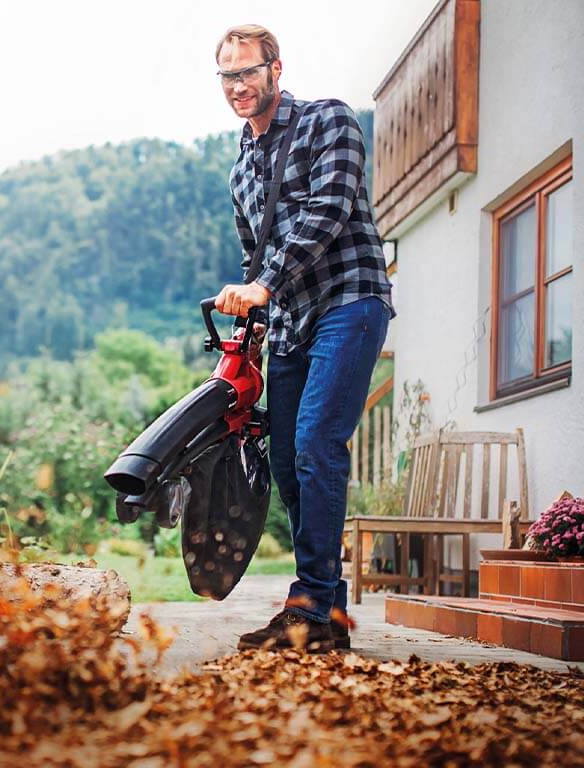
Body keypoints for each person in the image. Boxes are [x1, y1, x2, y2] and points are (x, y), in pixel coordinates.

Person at [212, 24, 394, 652]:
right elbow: (251, 259)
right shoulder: (241, 167)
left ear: (275, 69)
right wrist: (248, 320)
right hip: (289, 320)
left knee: (318, 441)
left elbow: (331, 207)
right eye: (227, 75)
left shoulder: (327, 121)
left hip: (350, 298)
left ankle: (315, 609)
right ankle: (322, 612)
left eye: (248, 72)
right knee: (287, 462)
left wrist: (264, 283)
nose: (238, 85)